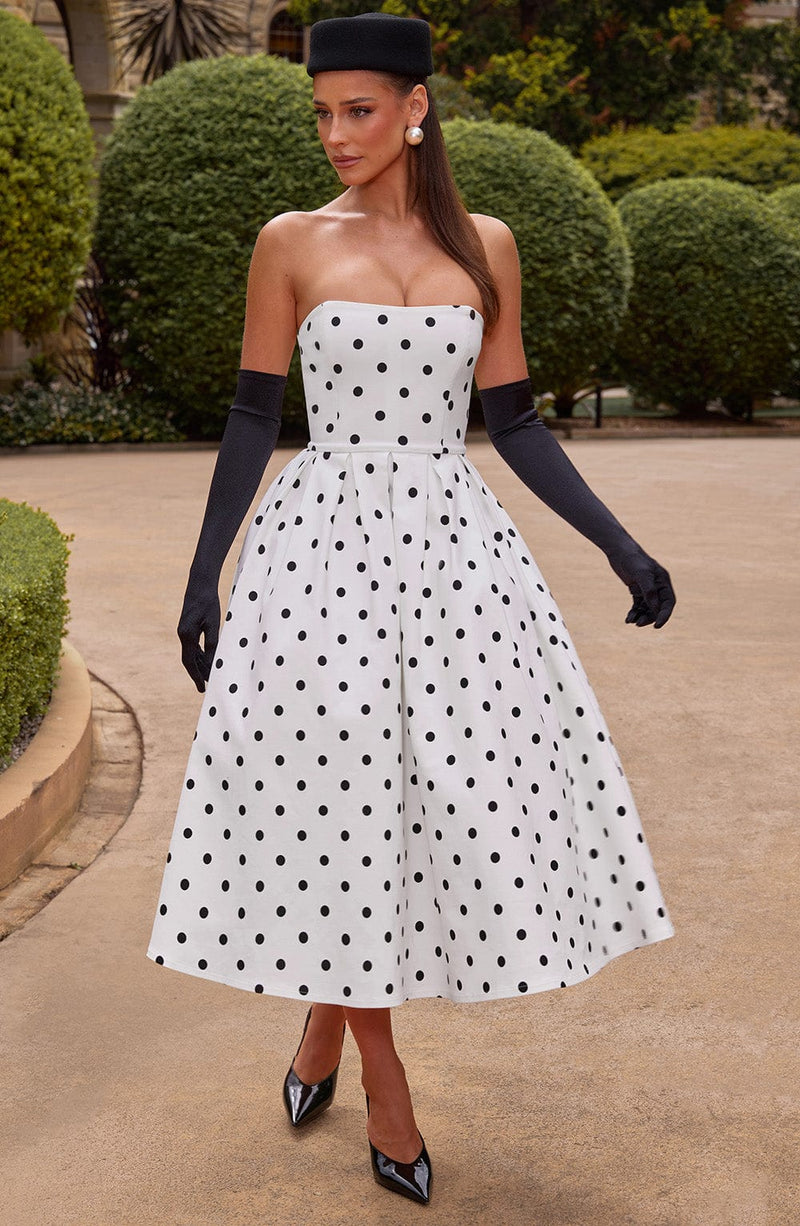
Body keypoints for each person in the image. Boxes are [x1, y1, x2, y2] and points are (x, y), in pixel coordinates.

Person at [147, 12, 676, 1207]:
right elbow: (252, 416)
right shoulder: (290, 241)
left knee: (428, 804)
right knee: (337, 800)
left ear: (416, 108)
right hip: (317, 556)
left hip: (452, 557)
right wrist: (202, 572)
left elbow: (515, 423)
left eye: (359, 110)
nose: (335, 134)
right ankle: (386, 1085)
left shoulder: (486, 245)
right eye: (321, 113)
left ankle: (319, 1025)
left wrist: (618, 545)